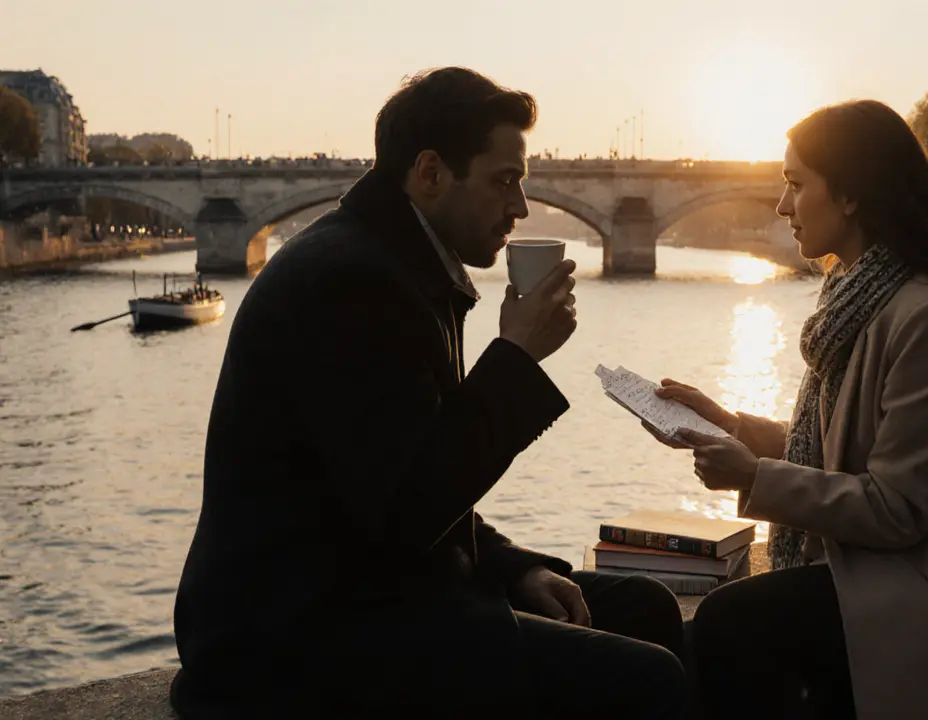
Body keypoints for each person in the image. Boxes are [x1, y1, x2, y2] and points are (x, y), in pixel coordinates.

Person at [170, 67, 687, 719]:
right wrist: (516, 358)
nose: (522, 206)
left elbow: (399, 476)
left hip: (361, 593)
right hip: (296, 638)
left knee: (644, 607)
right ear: (431, 172)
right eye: (505, 180)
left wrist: (512, 567)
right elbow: (403, 511)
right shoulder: (352, 285)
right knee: (650, 680)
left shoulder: (393, 263)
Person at [649, 100, 928, 718]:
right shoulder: (866, 300)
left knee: (732, 623)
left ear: (851, 196)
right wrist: (736, 429)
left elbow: (897, 507)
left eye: (794, 184)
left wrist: (753, 479)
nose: (781, 207)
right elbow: (851, 449)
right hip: (911, 565)